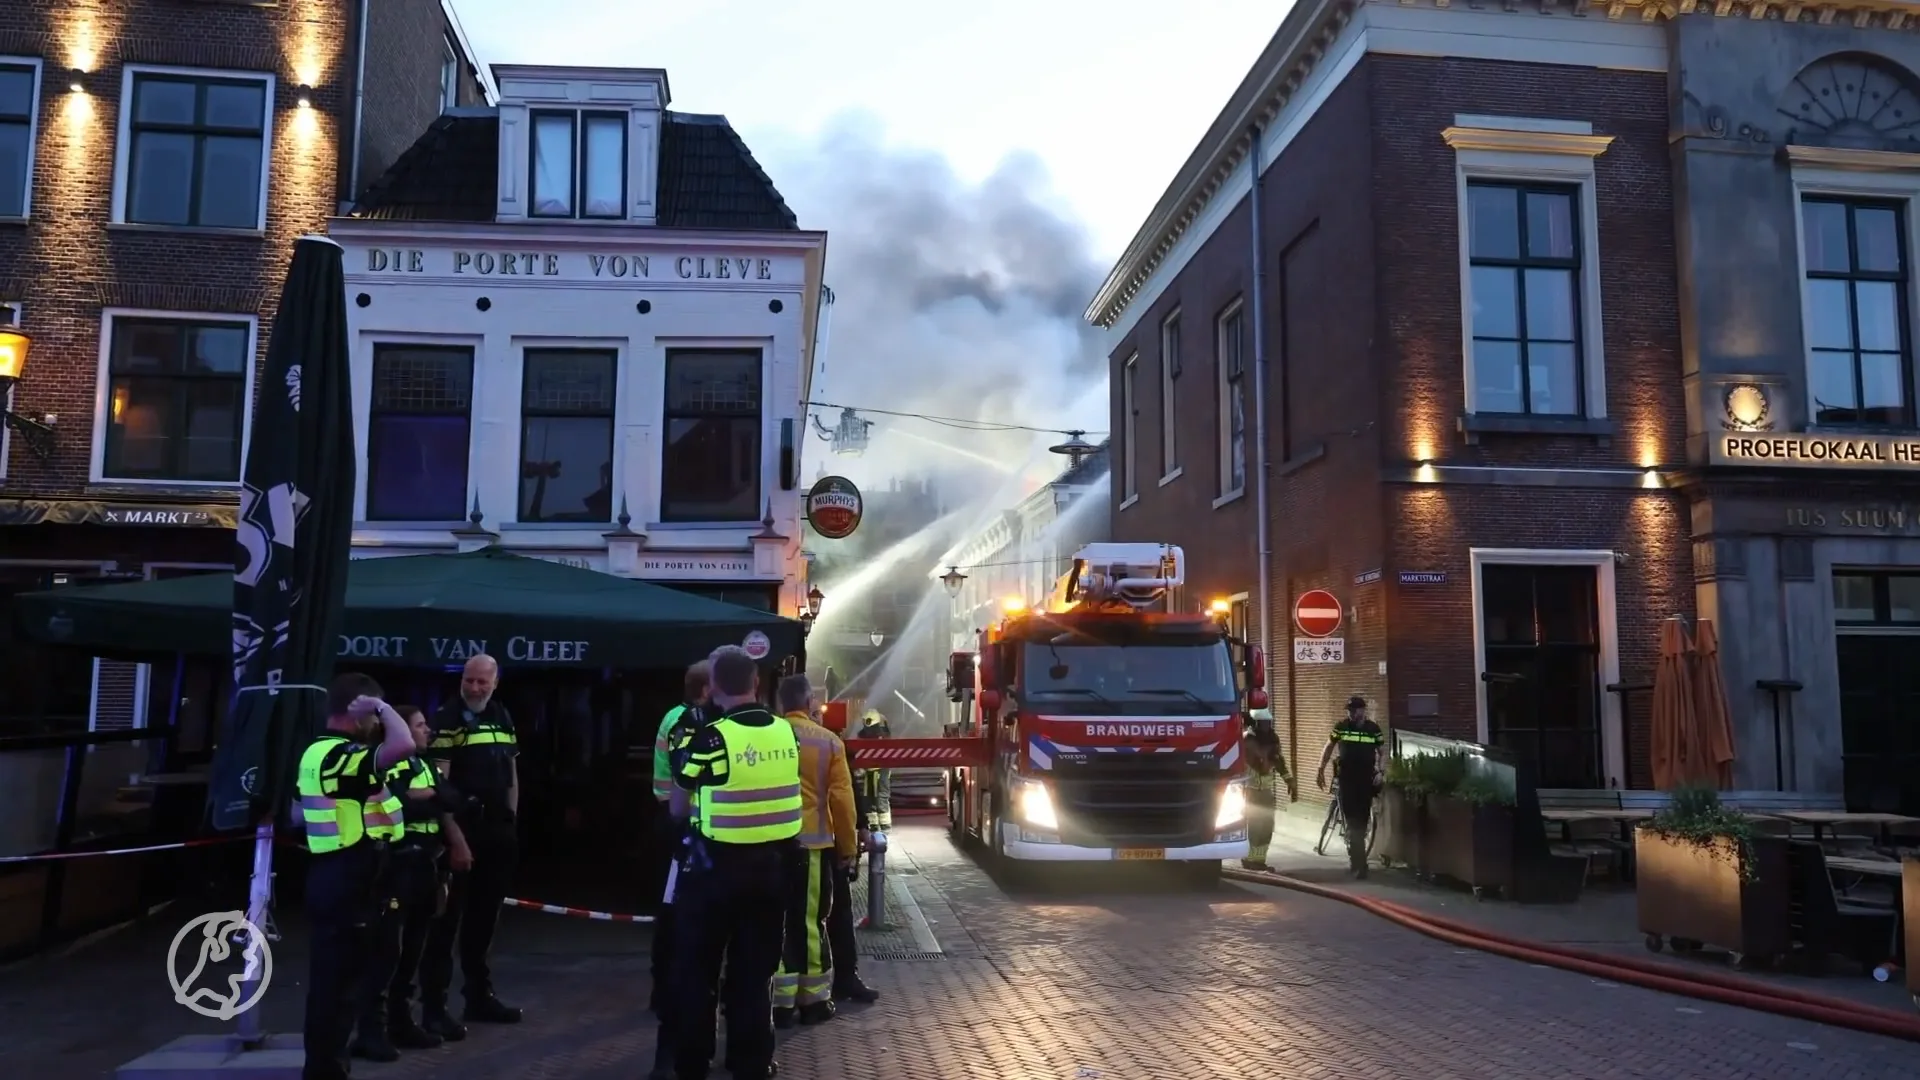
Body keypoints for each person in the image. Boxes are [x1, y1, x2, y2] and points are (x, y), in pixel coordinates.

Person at [667, 645, 804, 1080]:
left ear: (714, 688)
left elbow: (678, 800)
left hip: (716, 872)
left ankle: (693, 1061)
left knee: (698, 970)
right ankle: (753, 1061)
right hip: (774, 870)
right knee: (755, 974)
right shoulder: (786, 731)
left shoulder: (713, 737)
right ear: (757, 684)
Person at [297, 673, 416, 1080]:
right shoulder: (336, 755)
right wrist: (381, 706)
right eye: (373, 714)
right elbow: (403, 746)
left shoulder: (324, 753)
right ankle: (325, 1071)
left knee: (340, 984)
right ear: (358, 710)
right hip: (345, 876)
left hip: (346, 874)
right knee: (337, 988)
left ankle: (328, 1067)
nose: (378, 724)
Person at [352, 704, 475, 1061]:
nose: (428, 731)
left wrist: (432, 797)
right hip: (395, 866)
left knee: (414, 949)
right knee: (385, 951)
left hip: (427, 866)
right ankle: (370, 1030)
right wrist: (428, 799)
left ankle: (401, 1021)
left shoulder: (424, 765)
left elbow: (452, 799)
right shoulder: (383, 763)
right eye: (420, 726)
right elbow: (399, 806)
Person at [420, 654, 522, 1039]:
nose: (474, 688)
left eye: (482, 682)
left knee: (485, 920)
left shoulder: (502, 715)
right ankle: (435, 1006)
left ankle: (479, 995)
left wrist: (512, 820)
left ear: (495, 683)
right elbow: (439, 787)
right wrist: (456, 840)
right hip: (462, 833)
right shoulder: (446, 719)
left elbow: (511, 772)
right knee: (446, 924)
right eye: (469, 680)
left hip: (498, 832)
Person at [770, 675, 858, 1028]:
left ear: (780, 704)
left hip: (773, 845)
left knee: (776, 921)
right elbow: (842, 800)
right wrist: (848, 850)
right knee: (810, 923)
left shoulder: (768, 736)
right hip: (815, 847)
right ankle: (815, 1002)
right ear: (809, 704)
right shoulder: (829, 743)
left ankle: (778, 1003)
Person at [650, 662, 711, 1018]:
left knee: (670, 906)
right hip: (682, 825)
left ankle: (665, 987)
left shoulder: (672, 716)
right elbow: (686, 775)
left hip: (671, 820)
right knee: (676, 911)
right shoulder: (689, 723)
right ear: (705, 690)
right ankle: (669, 989)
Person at [1316, 694, 1386, 879]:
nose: (1351, 713)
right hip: (1347, 780)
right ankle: (1359, 864)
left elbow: (1382, 752)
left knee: (1360, 822)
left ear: (1362, 710)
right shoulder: (1341, 727)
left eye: (1354, 709)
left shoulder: (1373, 729)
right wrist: (1320, 768)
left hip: (1365, 781)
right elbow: (1329, 746)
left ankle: (1358, 861)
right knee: (1353, 821)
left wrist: (1380, 772)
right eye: (1349, 710)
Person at [1242, 726, 1290, 872]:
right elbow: (1259, 766)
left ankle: (1259, 860)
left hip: (1266, 792)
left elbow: (1278, 761)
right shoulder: (1248, 741)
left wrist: (1289, 779)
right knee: (1255, 828)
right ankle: (1249, 859)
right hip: (1251, 792)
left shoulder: (1270, 741)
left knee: (1267, 827)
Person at [854, 710, 892, 832]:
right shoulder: (863, 736)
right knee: (868, 798)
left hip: (881, 770)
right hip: (869, 771)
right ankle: (873, 824)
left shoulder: (883, 736)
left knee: (881, 797)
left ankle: (885, 825)